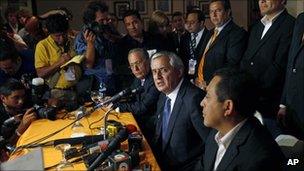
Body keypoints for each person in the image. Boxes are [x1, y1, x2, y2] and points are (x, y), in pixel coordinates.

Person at [200, 68, 285, 171]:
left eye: (207, 96)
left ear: (228, 107)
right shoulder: (216, 132)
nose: (202, 103)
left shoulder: (258, 158)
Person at [240, 0, 295, 134]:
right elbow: (246, 60)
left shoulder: (291, 25)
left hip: (272, 105)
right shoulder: (256, 27)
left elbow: (280, 67)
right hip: (249, 102)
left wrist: (251, 89)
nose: (262, 1)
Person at [150, 51, 209, 170]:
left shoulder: (194, 98)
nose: (157, 76)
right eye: (154, 71)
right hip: (161, 162)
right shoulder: (164, 94)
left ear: (179, 71)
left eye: (163, 70)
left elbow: (211, 143)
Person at [195, 0, 247, 90]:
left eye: (218, 10)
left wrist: (209, 82)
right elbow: (202, 57)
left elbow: (231, 64)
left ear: (228, 12)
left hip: (218, 88)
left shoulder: (237, 33)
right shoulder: (210, 33)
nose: (214, 15)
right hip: (200, 84)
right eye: (211, 11)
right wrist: (197, 77)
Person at [115, 48, 160, 142]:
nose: (135, 69)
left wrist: (118, 108)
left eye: (138, 63)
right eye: (132, 65)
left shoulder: (155, 79)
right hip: (141, 122)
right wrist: (114, 100)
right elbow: (130, 94)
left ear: (148, 61)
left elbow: (142, 107)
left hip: (152, 129)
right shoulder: (139, 77)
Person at [35, 14, 82, 102]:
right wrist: (59, 63)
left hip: (78, 89)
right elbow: (40, 73)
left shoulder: (72, 41)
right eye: (57, 36)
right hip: (58, 94)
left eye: (64, 34)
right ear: (48, 33)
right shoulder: (42, 46)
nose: (62, 39)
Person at [114, 10, 163, 91]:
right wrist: (137, 68)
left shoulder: (156, 39)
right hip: (133, 85)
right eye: (128, 24)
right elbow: (117, 68)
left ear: (141, 22)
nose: (132, 27)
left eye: (135, 22)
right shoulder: (121, 45)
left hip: (157, 81)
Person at [75, 1, 116, 95]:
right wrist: (90, 44)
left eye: (107, 19)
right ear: (91, 22)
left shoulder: (107, 31)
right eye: (101, 20)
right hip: (95, 84)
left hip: (112, 81)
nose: (105, 22)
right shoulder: (82, 37)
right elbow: (88, 64)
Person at [278, 12, 304, 140]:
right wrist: (283, 104)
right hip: (293, 107)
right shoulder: (301, 19)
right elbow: (291, 62)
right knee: (295, 156)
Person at [0, 79, 36, 146]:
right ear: (3, 98)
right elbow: (5, 147)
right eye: (16, 98)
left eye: (23, 96)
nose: (21, 101)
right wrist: (20, 129)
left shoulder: (26, 102)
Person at [179, 9, 209, 78]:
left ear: (201, 23)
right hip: (187, 76)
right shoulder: (184, 37)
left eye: (192, 22)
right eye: (187, 22)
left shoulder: (210, 36)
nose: (188, 25)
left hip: (204, 76)